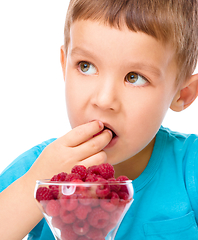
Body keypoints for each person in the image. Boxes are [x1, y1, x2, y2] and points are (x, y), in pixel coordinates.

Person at [1, 0, 198, 239]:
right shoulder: (36, 168)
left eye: (134, 77)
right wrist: (36, 186)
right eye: (86, 66)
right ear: (64, 66)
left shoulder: (190, 168)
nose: (104, 100)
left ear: (182, 94)